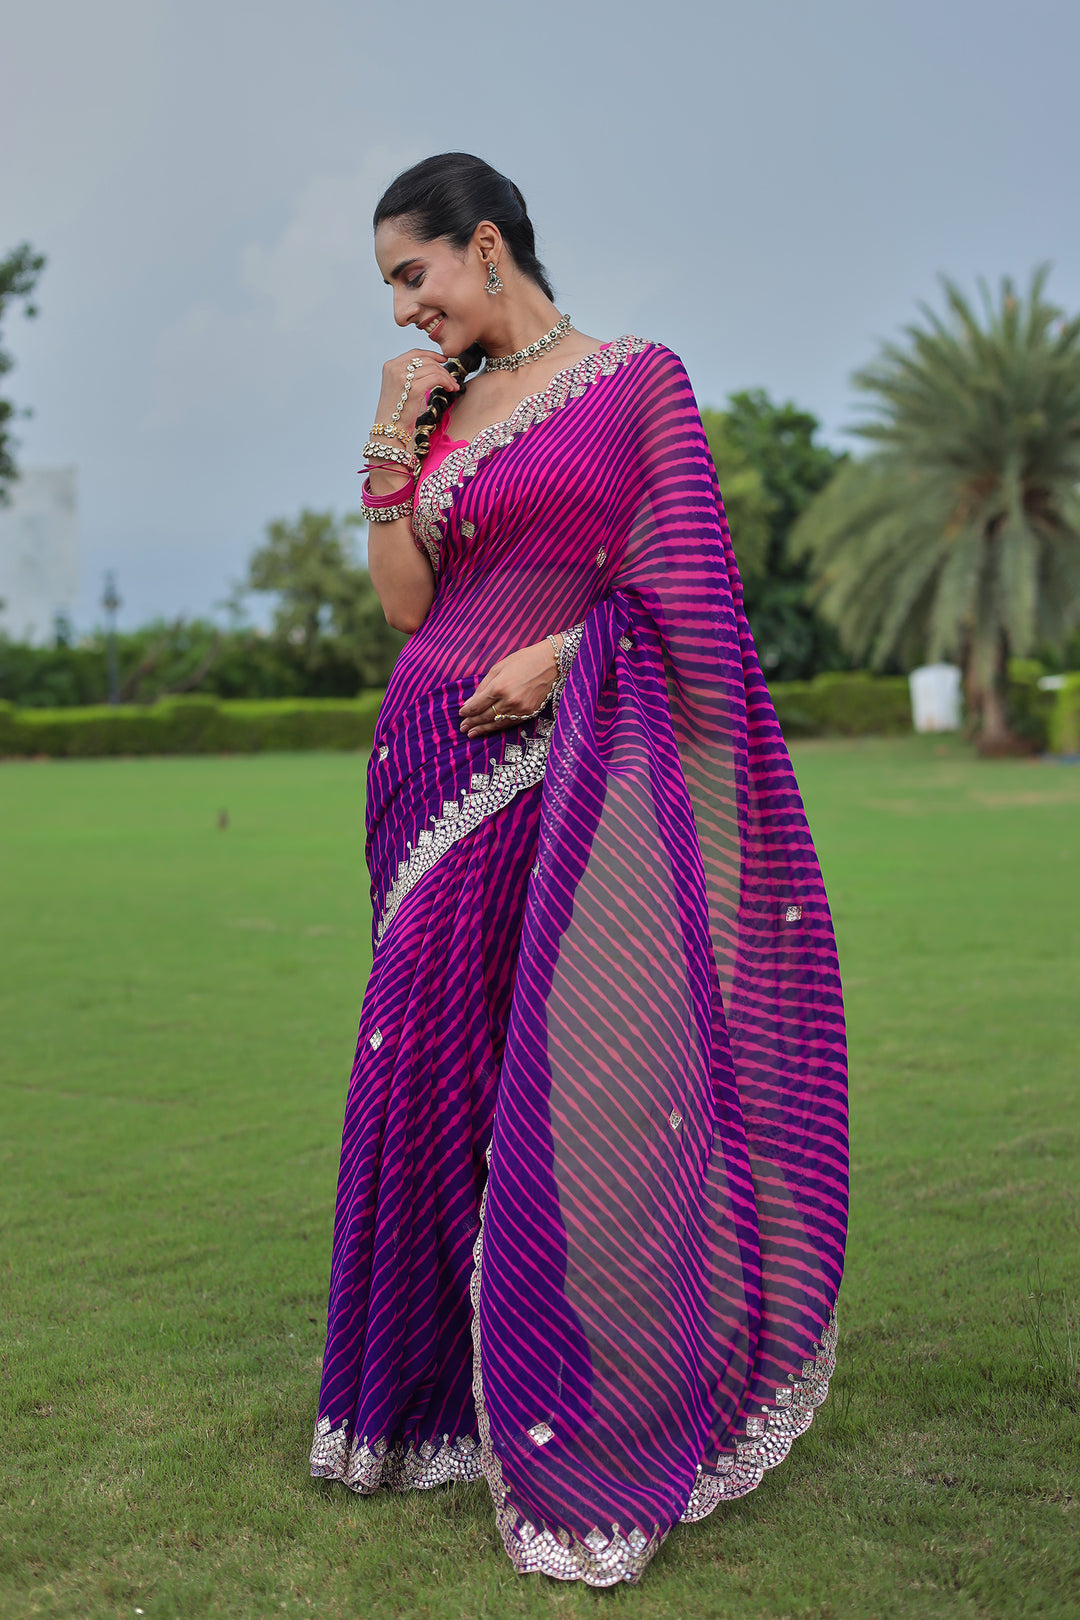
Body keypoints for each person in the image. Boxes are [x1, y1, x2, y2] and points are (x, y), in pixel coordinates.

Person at [309, 152, 848, 1587]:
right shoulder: (441, 407)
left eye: (413, 274)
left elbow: (695, 593)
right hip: (427, 762)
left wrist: (564, 655)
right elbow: (411, 604)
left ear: (486, 245)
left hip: (569, 763)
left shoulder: (637, 383)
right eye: (389, 290)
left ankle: (583, 1379)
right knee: (426, 1066)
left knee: (582, 1071)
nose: (404, 310)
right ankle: (427, 1406)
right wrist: (387, 441)